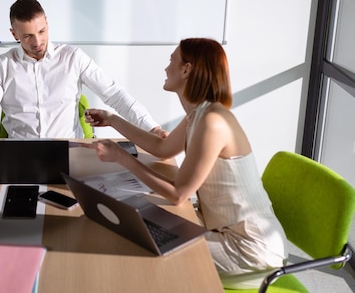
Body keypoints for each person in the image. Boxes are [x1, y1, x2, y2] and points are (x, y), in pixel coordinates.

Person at [82, 38, 286, 289]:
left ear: (187, 69)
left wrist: (122, 158)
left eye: (171, 61)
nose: (166, 68)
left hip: (248, 248)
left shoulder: (212, 122)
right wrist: (112, 120)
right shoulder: (200, 113)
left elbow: (179, 194)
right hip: (222, 231)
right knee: (138, 224)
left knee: (145, 251)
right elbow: (161, 147)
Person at [0, 0, 167, 164]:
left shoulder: (73, 57)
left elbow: (113, 94)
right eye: (27, 36)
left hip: (69, 155)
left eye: (42, 31)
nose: (37, 42)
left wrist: (152, 128)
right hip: (20, 156)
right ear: (14, 33)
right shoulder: (3, 65)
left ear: (47, 23)